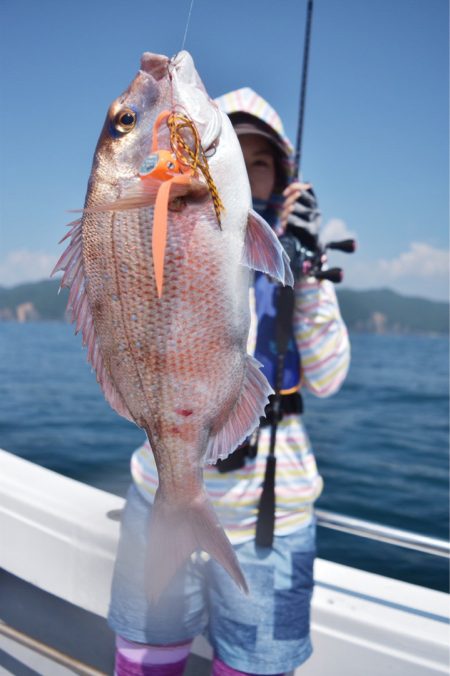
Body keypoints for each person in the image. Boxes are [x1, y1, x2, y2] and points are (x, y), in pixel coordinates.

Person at [107, 88, 350, 676]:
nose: (241, 160)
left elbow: (329, 378)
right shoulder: (162, 231)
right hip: (159, 492)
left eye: (259, 158)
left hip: (271, 515)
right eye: (230, 147)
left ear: (279, 178)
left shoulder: (294, 260)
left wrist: (311, 270)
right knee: (144, 654)